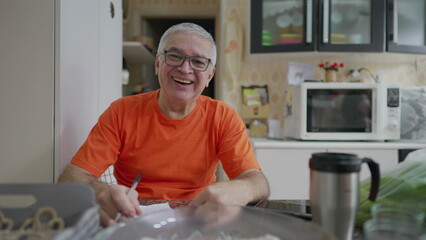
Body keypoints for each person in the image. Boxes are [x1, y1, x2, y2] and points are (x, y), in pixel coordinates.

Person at [58, 22, 269, 227]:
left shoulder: (223, 117)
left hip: (199, 222)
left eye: (198, 62)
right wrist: (102, 192)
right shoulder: (121, 112)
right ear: (158, 63)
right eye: (175, 56)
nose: (185, 69)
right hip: (134, 221)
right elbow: (69, 178)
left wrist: (239, 190)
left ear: (209, 76)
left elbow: (258, 182)